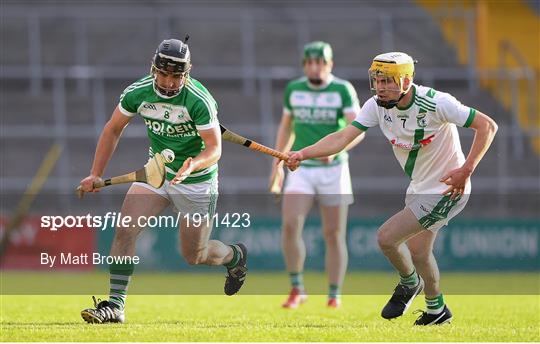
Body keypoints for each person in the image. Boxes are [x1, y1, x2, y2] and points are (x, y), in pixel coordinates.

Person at [286, 52, 498, 324]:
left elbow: (487, 126)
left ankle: (409, 283)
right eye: (377, 80)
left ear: (407, 81)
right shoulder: (376, 106)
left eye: (388, 81)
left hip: (446, 189)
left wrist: (466, 170)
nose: (381, 87)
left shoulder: (436, 102)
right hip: (420, 187)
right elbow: (342, 137)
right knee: (420, 252)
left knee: (386, 237)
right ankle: (437, 310)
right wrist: (303, 154)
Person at [78, 38, 248, 324]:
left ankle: (234, 256)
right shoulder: (138, 93)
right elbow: (112, 129)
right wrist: (96, 172)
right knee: (125, 229)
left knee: (194, 255)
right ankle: (115, 305)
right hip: (156, 173)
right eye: (164, 74)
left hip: (197, 182)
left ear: (186, 74)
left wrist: (193, 164)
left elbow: (214, 148)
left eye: (176, 76)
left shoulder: (198, 100)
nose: (169, 82)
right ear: (153, 69)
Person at [269, 41, 364, 309]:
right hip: (302, 169)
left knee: (333, 233)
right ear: (304, 65)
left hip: (334, 170)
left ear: (330, 64)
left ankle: (334, 293)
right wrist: (277, 162)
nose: (315, 67)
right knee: (290, 225)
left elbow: (358, 130)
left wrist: (336, 149)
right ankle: (297, 288)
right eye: (310, 62)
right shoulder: (295, 89)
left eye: (320, 62)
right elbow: (286, 128)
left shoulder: (342, 90)